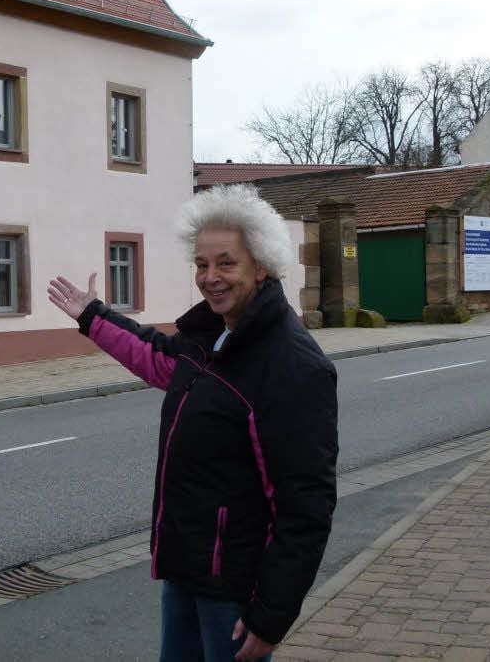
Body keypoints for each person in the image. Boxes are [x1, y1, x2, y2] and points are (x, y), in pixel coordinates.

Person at [48, 184, 338, 662]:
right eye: (202, 265)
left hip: (235, 589)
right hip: (186, 570)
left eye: (226, 263)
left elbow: (306, 505)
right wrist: (93, 317)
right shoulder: (212, 337)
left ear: (261, 266)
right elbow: (157, 356)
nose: (210, 277)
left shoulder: (293, 366)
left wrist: (272, 612)